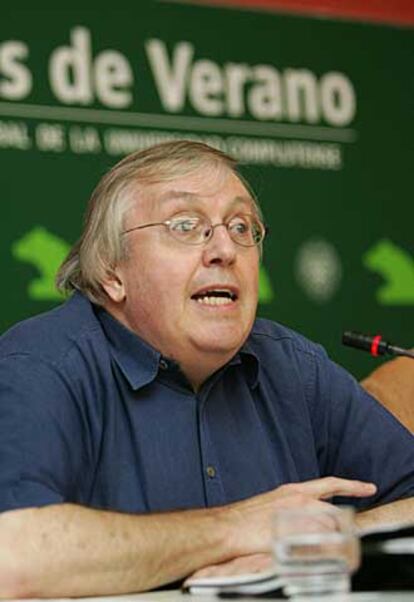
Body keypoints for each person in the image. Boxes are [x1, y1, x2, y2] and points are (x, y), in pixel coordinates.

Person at [0, 140, 413, 598]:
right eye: (185, 225)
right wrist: (234, 530)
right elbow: (14, 558)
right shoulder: (42, 365)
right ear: (112, 272)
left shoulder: (294, 366)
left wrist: (320, 537)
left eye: (241, 227)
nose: (224, 249)